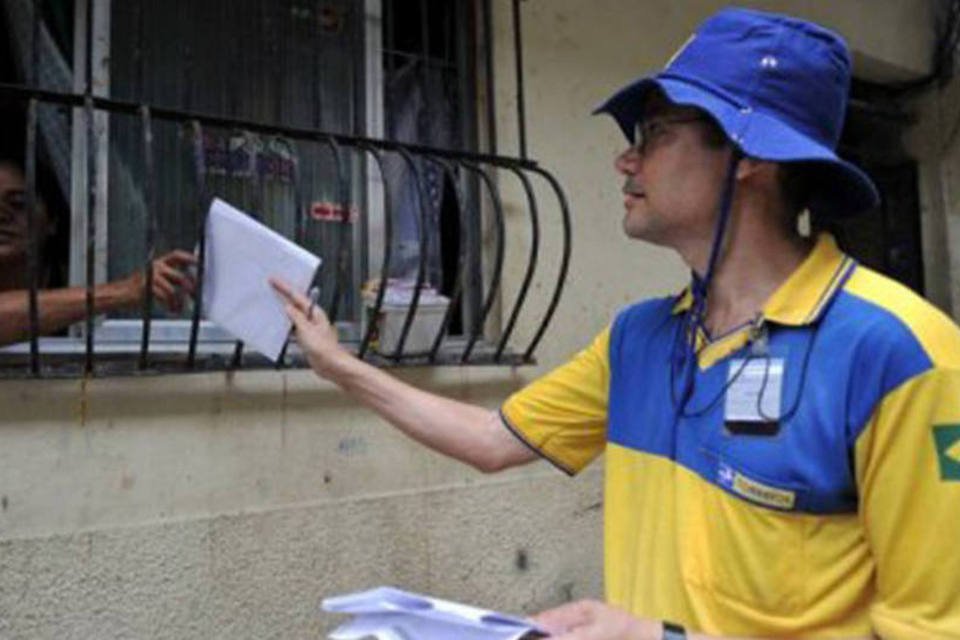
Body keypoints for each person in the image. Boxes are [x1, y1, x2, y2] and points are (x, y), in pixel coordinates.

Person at [272, 8, 960, 639]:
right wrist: (339, 366)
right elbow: (492, 438)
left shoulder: (904, 355)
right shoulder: (641, 339)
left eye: (655, 133)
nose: (625, 159)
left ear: (753, 156)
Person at [0, 157, 196, 346]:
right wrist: (124, 291)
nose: (2, 215)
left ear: (52, 220)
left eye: (18, 204)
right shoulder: (102, 287)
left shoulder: (82, 273)